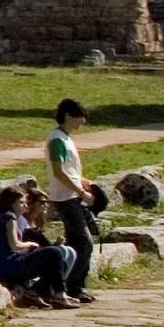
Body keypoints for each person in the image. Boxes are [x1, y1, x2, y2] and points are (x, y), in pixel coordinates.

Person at [40, 97, 112, 302]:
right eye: (80, 117)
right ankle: (73, 286)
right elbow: (59, 172)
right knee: (83, 242)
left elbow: (69, 172)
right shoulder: (56, 140)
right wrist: (81, 193)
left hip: (73, 195)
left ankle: (67, 284)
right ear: (68, 116)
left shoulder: (65, 139)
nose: (83, 122)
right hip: (66, 198)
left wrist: (87, 183)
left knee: (77, 242)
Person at [0, 181, 83, 307]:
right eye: (21, 203)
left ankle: (36, 292)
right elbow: (14, 245)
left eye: (25, 203)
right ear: (10, 203)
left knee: (52, 260)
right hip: (11, 265)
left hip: (3, 264)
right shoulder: (10, 218)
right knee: (54, 252)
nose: (25, 206)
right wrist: (30, 244)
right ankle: (58, 294)